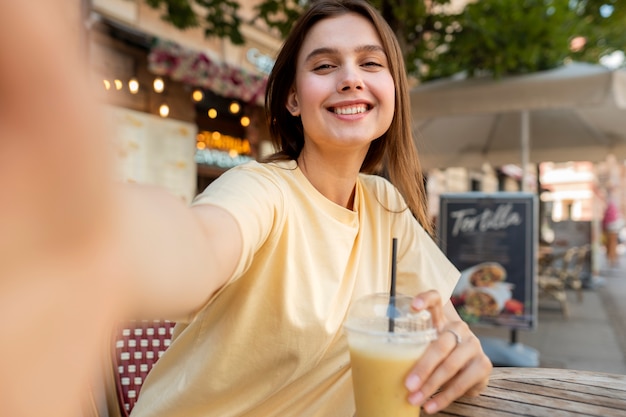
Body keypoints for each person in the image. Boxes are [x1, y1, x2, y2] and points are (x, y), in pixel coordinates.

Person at [1, 1, 491, 416]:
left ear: (393, 90)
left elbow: (439, 320)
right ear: (294, 99)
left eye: (370, 63)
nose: (349, 79)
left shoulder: (386, 205)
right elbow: (197, 246)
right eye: (324, 66)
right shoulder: (261, 190)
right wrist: (85, 228)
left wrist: (462, 347)